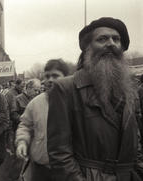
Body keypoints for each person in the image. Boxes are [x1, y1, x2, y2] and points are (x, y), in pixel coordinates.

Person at [47, 17, 143, 180]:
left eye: (116, 39)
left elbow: (136, 142)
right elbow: (59, 154)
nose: (111, 43)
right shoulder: (66, 88)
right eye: (102, 39)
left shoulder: (130, 90)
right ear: (87, 48)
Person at [15, 59, 69, 181]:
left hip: (68, 170)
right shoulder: (35, 103)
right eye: (47, 76)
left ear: (66, 78)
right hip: (40, 169)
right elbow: (24, 125)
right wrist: (22, 142)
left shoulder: (76, 102)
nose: (50, 80)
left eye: (55, 76)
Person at [5, 79, 41, 181]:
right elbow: (13, 114)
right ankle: (12, 178)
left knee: (32, 161)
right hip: (19, 133)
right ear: (28, 88)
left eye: (39, 90)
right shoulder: (17, 99)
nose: (38, 93)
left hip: (35, 135)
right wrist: (26, 120)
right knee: (19, 159)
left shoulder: (37, 100)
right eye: (36, 90)